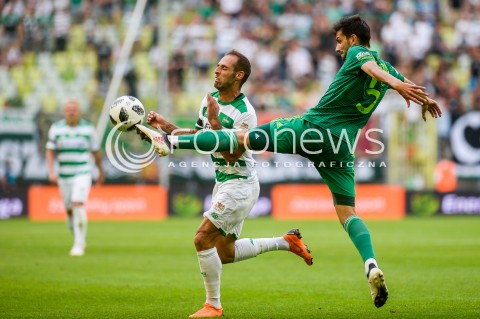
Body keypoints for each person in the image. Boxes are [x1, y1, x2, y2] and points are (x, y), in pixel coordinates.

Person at [139, 15, 442, 308]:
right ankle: (371, 263)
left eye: (339, 41)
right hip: (340, 146)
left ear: (353, 39)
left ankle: (170, 142)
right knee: (348, 212)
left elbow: (373, 68)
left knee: (244, 139)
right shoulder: (387, 67)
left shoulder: (360, 53)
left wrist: (398, 85)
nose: (338, 48)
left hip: (313, 130)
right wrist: (419, 95)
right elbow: (395, 77)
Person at [137, 50, 313, 318]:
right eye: (217, 66)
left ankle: (213, 306)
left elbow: (231, 152)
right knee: (226, 253)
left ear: (238, 75)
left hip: (240, 183)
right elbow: (200, 137)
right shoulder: (210, 100)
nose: (216, 71)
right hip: (223, 182)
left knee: (202, 238)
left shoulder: (246, 113)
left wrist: (216, 119)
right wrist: (166, 126)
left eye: (224, 68)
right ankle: (286, 241)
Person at [46, 99, 104, 256]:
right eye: (68, 109)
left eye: (74, 109)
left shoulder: (88, 129)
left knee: (77, 204)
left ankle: (78, 244)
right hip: (64, 175)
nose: (71, 112)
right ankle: (79, 239)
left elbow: (96, 153)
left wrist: (100, 172)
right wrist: (51, 171)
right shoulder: (56, 129)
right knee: (69, 211)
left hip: (82, 173)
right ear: (65, 112)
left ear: (79, 111)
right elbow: (50, 151)